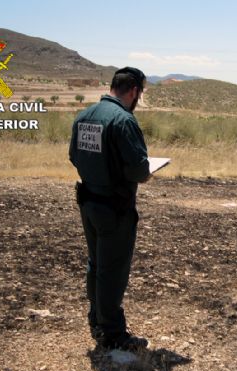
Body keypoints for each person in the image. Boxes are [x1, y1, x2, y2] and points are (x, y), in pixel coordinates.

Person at [69, 67, 150, 351]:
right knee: (113, 271)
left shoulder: (84, 116)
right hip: (114, 208)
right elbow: (140, 169)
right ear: (134, 91)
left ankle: (96, 319)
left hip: (88, 201)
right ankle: (113, 332)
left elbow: (73, 157)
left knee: (96, 265)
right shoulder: (123, 120)